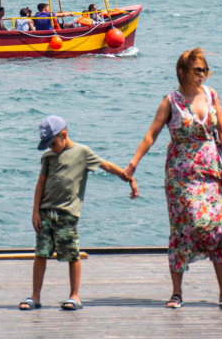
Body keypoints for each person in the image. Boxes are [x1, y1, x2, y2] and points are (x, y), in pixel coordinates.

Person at [124, 48, 222, 311]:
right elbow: (151, 135)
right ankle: (177, 292)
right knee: (184, 227)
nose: (202, 74)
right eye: (196, 70)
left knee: (218, 229)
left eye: (204, 70)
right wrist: (133, 163)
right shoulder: (171, 101)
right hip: (182, 175)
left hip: (214, 172)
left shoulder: (212, 95)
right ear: (182, 71)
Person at [20, 116, 137, 312]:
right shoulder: (48, 157)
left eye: (53, 143)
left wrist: (129, 179)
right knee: (40, 254)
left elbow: (105, 165)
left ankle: (74, 295)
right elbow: (40, 183)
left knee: (72, 254)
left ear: (64, 135)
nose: (51, 147)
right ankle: (35, 296)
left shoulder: (82, 152)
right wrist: (35, 211)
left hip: (67, 213)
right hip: (45, 213)